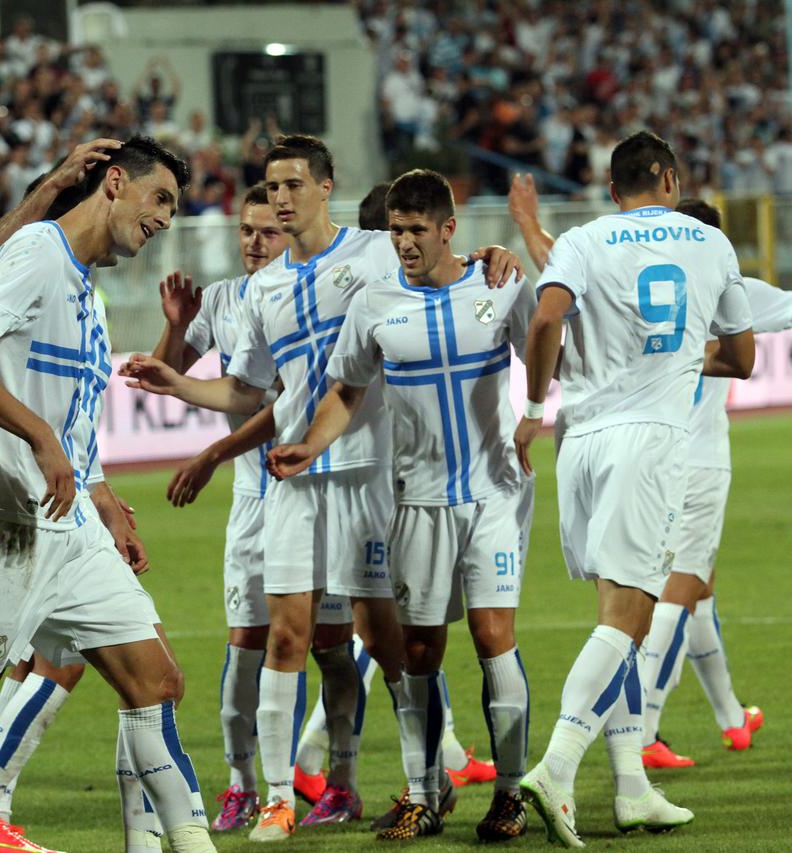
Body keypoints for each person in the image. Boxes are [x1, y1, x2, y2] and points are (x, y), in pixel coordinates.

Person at [120, 134, 520, 842]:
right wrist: (178, 379)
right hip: (293, 475)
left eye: (294, 184)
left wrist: (492, 253)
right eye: (272, 185)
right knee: (287, 632)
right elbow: (247, 388)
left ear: (325, 187)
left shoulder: (369, 253)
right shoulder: (263, 288)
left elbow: (434, 256)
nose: (280, 197)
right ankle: (277, 796)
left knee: (383, 639)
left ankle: (423, 783)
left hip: (371, 472)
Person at [0, 136, 216, 853]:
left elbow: (55, 405)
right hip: (5, 520)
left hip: (71, 520)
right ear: (114, 182)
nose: (166, 220)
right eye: (161, 199)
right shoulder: (40, 254)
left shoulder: (86, 288)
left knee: (156, 680)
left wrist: (105, 499)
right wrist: (34, 440)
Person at [509, 176, 792, 768]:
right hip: (686, 458)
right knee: (670, 594)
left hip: (620, 446)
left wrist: (526, 222)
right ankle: (640, 729)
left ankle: (729, 715)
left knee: (697, 589)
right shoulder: (727, 284)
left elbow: (557, 269)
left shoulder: (615, 274)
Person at [267, 169, 536, 842]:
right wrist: (307, 443)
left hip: (493, 492)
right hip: (415, 499)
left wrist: (539, 412)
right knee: (418, 648)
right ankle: (423, 793)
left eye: (418, 228)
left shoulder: (499, 286)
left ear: (449, 229)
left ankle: (509, 793)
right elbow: (347, 390)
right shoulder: (376, 301)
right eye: (396, 229)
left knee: (493, 634)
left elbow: (548, 343)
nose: (406, 241)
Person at [512, 131, 756, 848]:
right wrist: (686, 352)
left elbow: (547, 317)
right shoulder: (710, 244)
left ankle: (631, 787)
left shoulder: (585, 240)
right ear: (672, 180)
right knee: (627, 617)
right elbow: (742, 356)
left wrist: (531, 412)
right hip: (650, 440)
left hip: (579, 440)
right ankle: (555, 767)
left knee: (622, 616)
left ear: (612, 189)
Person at [146, 183, 293, 831]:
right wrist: (177, 324)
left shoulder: (314, 291)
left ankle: (327, 775)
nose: (255, 242)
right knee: (245, 642)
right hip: (253, 501)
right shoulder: (225, 299)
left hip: (322, 489)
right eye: (246, 230)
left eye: (267, 230)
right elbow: (161, 375)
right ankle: (241, 784)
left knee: (326, 645)